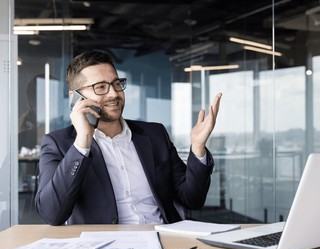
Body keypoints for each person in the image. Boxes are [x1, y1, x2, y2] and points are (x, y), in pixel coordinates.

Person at [35, 50, 222, 225]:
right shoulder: (59, 143)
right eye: (100, 87)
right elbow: (52, 214)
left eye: (117, 84)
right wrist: (83, 142)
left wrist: (197, 147)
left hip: (165, 240)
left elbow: (192, 199)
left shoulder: (155, 134)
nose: (114, 93)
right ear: (76, 97)